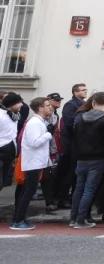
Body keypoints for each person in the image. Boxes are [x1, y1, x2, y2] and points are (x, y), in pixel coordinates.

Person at [69, 92, 104, 228]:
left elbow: (75, 138)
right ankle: (81, 219)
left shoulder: (80, 117)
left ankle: (73, 218)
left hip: (81, 158)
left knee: (78, 189)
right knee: (89, 190)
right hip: (98, 158)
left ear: (93, 102)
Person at [10, 97, 53, 230]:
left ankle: (20, 218)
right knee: (28, 192)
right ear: (40, 108)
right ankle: (18, 221)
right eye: (47, 105)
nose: (50, 107)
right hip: (32, 162)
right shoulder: (35, 123)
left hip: (35, 162)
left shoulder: (39, 122)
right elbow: (34, 142)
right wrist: (48, 134)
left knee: (27, 192)